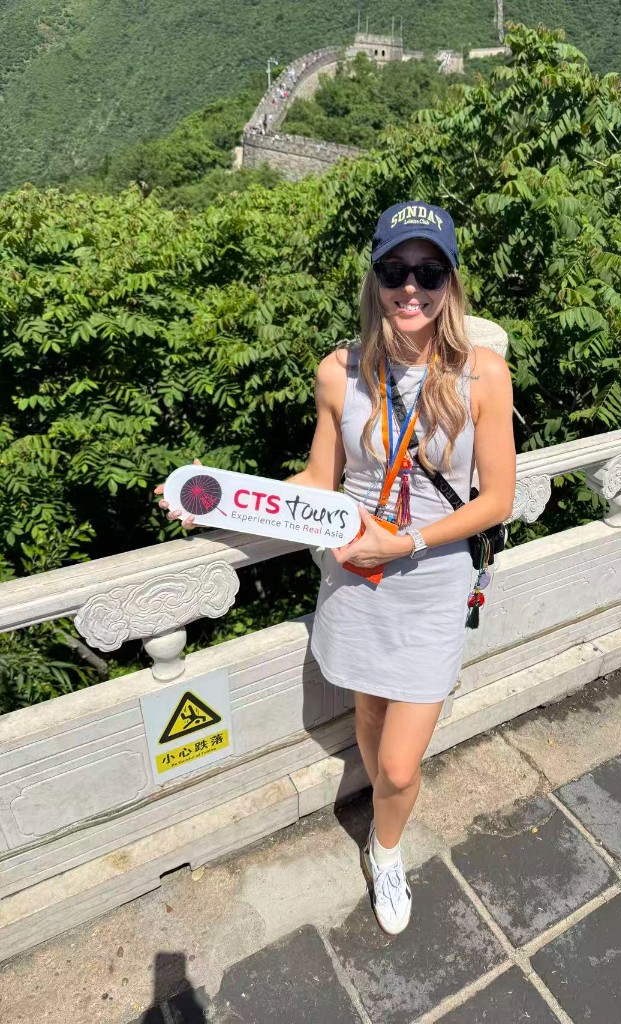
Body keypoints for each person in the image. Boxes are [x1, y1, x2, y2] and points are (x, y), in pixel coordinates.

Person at [155, 201, 516, 936]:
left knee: (402, 766)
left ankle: (387, 850)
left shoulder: (482, 375)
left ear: (450, 281)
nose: (409, 288)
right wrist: (220, 502)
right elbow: (319, 481)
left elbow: (498, 499)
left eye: (427, 271)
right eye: (394, 270)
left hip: (430, 582)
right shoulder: (338, 372)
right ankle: (379, 816)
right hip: (354, 579)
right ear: (373, 277)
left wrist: (406, 543)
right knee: (368, 714)